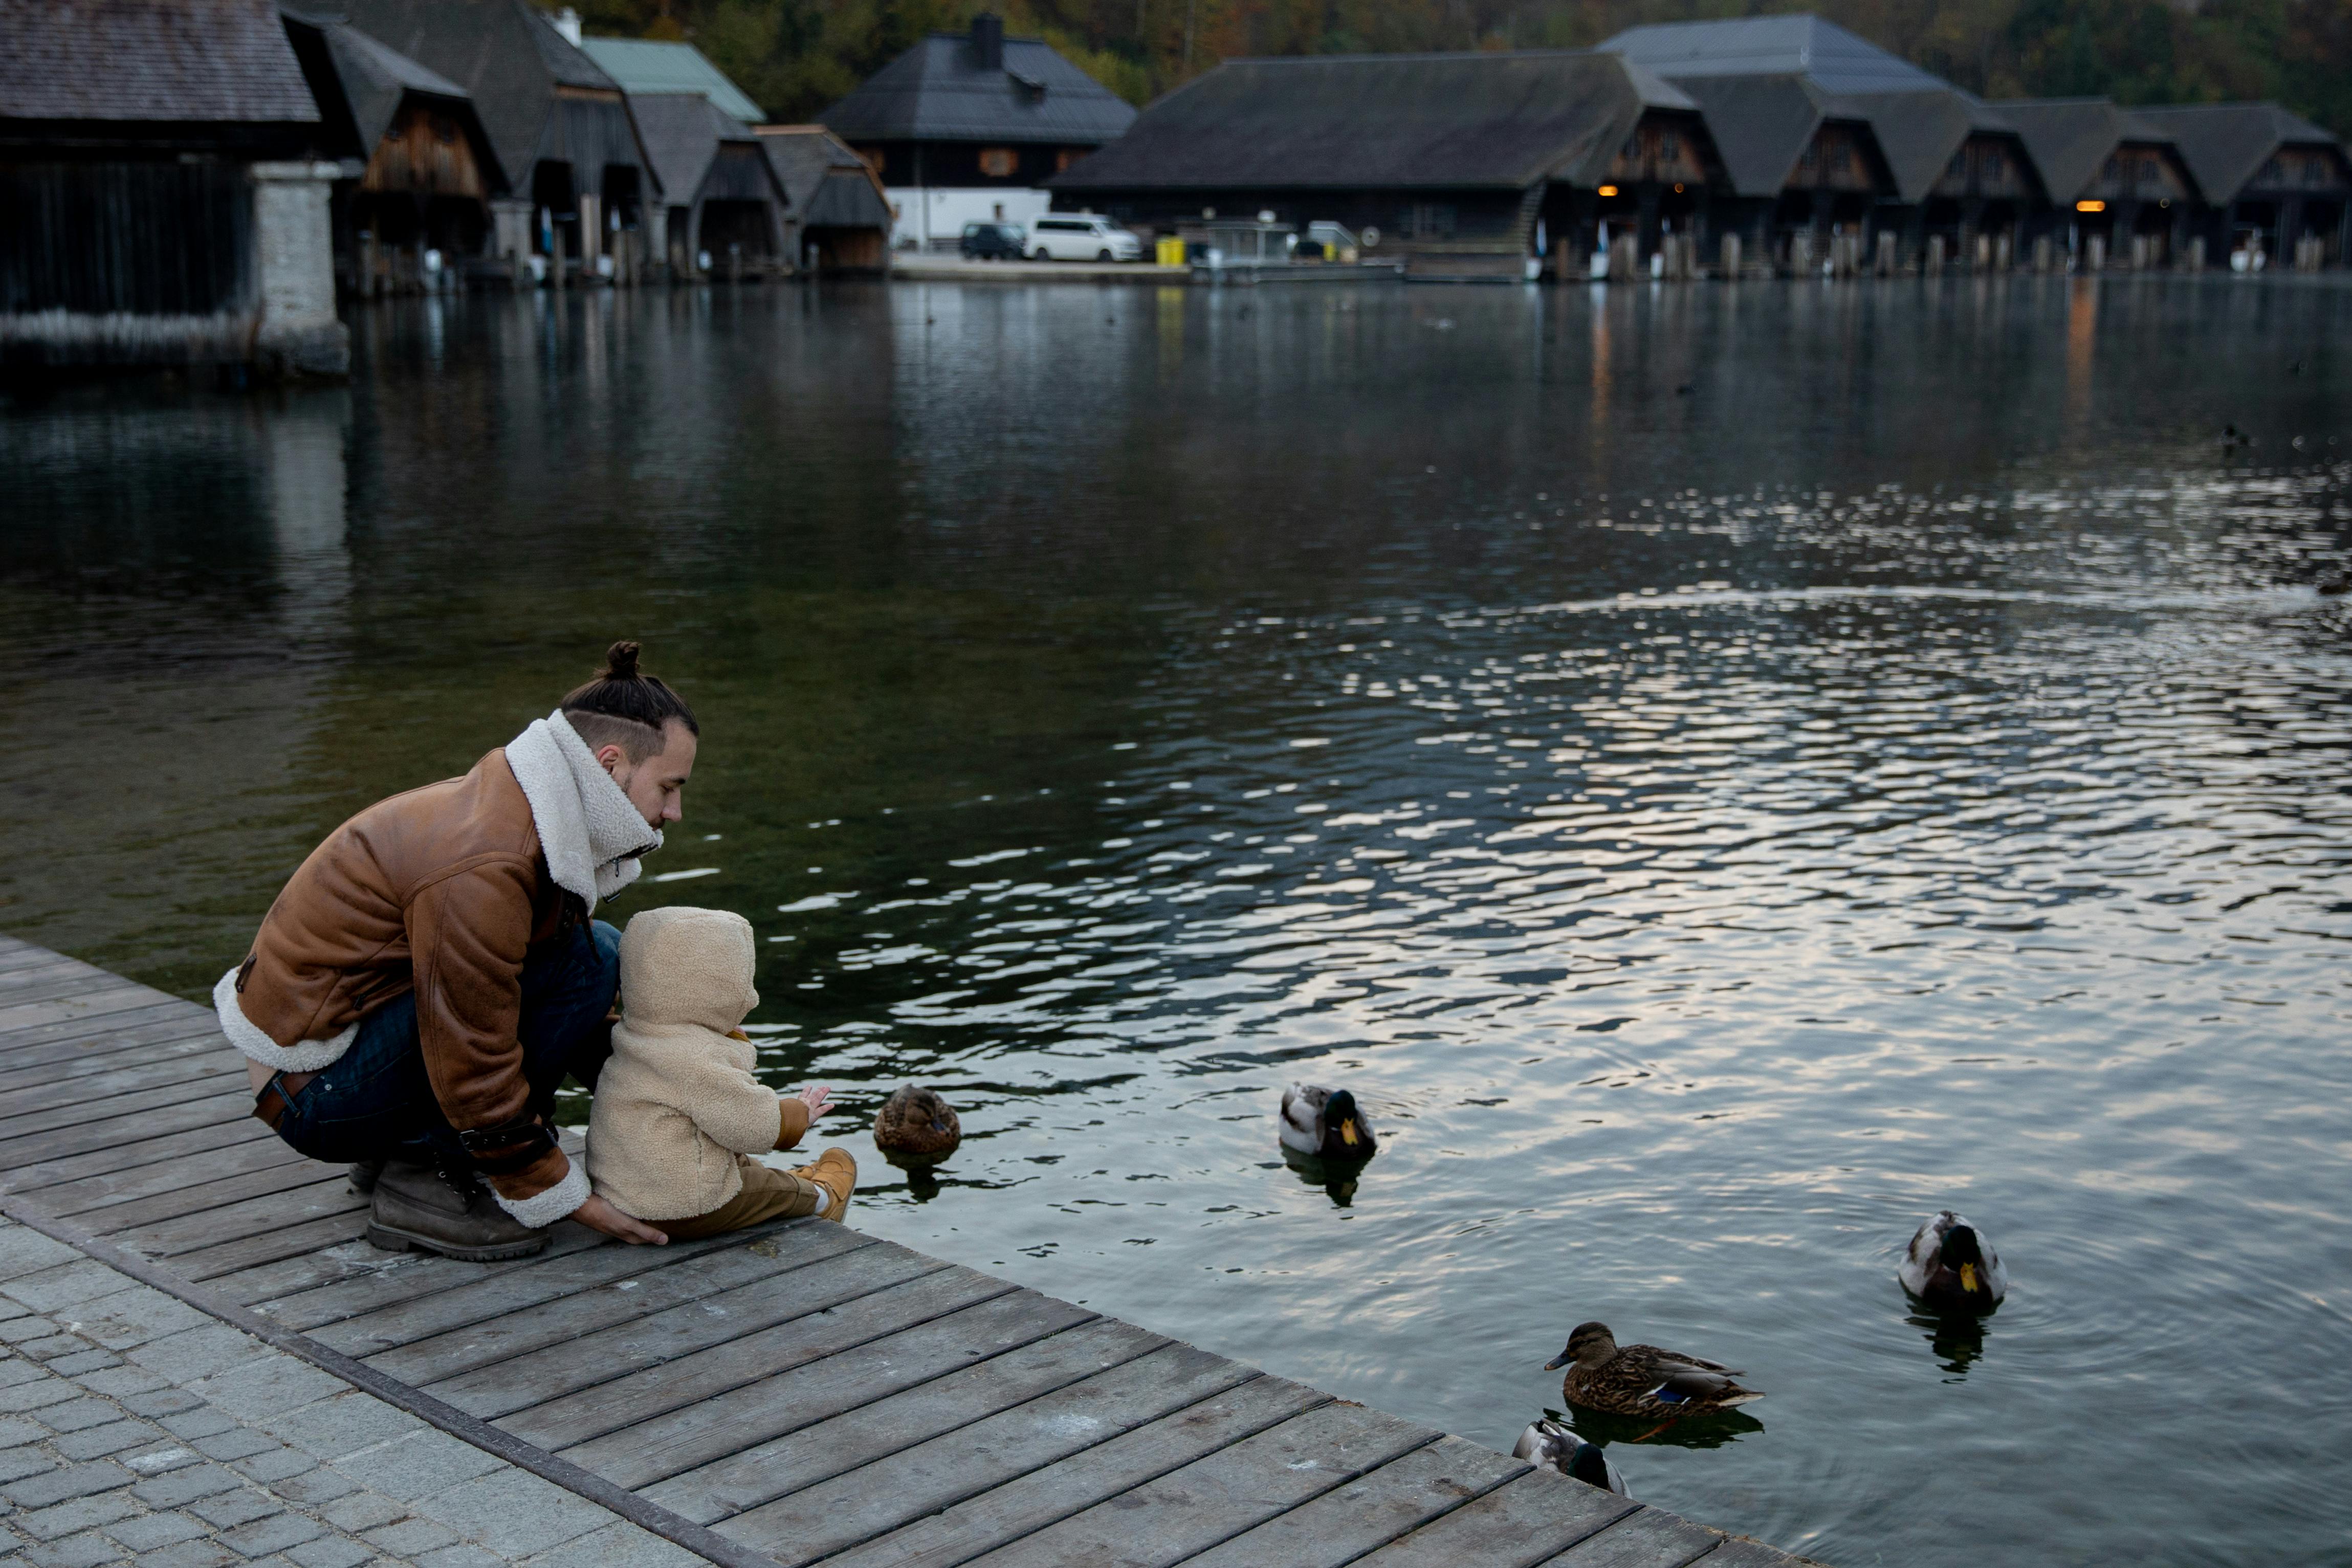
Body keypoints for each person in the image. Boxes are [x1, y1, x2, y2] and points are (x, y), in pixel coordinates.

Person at [216, 641, 691, 1260]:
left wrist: (680, 1093)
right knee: (590, 958)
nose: (675, 811)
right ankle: (424, 1176)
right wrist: (555, 1189)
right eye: (670, 786)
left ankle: (405, 1148)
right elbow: (472, 1044)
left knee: (591, 951)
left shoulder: (512, 808)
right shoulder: (487, 863)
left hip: (329, 1056)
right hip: (314, 1096)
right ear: (609, 764)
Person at [586, 906, 856, 1237]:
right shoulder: (699, 1055)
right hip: (681, 1204)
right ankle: (824, 1198)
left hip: (619, 1190)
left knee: (720, 1153)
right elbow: (750, 1124)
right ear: (723, 983)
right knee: (780, 1193)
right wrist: (798, 1114)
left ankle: (772, 1179)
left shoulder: (632, 1032)